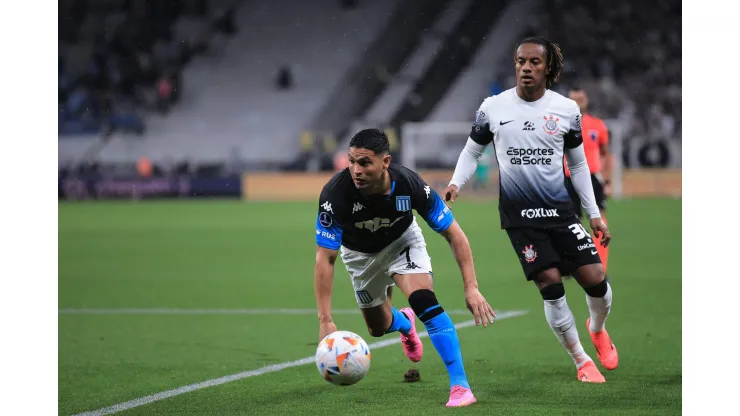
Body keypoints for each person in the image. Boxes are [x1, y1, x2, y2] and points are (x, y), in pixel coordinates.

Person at [443, 37, 617, 383]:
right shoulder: (493, 107)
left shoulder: (566, 110)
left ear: (548, 68)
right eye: (520, 61)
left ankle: (596, 329)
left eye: (534, 62)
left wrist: (593, 212)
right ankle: (581, 360)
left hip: (561, 211)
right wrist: (455, 183)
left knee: (596, 281)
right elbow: (472, 151)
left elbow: (579, 166)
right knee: (550, 282)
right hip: (519, 215)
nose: (525, 67)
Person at [314, 128, 495, 407]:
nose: (355, 170)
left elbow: (454, 234)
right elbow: (325, 258)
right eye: (351, 161)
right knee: (377, 327)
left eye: (364, 163)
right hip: (359, 256)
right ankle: (404, 324)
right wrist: (325, 320)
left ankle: (460, 386)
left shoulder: (409, 185)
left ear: (385, 162)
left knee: (423, 300)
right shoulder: (335, 195)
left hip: (402, 242)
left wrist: (471, 287)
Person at [563, 86, 614, 274]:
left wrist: (606, 181)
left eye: (580, 99)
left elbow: (606, 154)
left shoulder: (597, 125)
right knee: (572, 222)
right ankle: (575, 263)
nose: (577, 104)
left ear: (586, 101)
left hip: (593, 178)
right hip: (569, 179)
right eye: (573, 100)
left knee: (599, 219)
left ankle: (600, 265)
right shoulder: (561, 125)